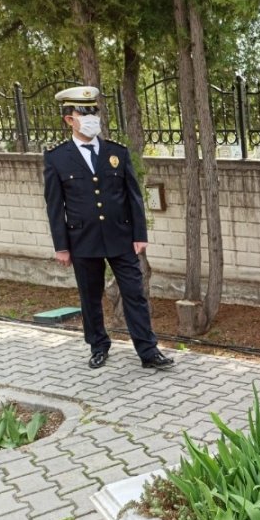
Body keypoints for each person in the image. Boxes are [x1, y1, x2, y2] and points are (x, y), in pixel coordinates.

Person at [43, 86, 173, 371]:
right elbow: (55, 205)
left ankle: (148, 352)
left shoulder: (117, 152)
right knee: (90, 297)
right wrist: (61, 246)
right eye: (84, 112)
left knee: (134, 293)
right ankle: (99, 346)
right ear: (69, 119)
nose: (92, 117)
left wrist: (140, 234)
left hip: (121, 236)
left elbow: (133, 196)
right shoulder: (56, 158)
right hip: (82, 240)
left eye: (94, 111)